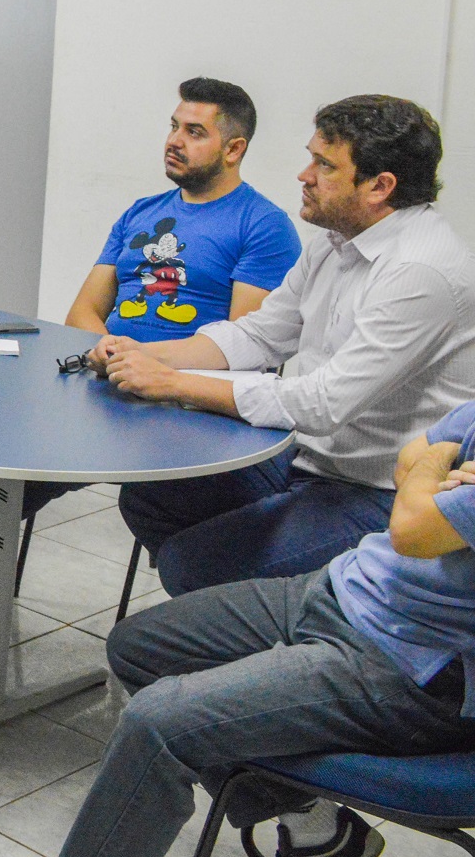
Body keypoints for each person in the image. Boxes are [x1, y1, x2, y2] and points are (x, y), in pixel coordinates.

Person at [42, 406, 475, 857]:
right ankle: (321, 834)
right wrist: (437, 466)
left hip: (413, 665)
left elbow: (412, 528)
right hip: (342, 589)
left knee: (157, 724)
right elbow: (409, 461)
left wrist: (433, 474)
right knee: (139, 647)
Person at [103, 95, 475, 596]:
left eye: (324, 165)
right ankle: (237, 616)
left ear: (379, 187)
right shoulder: (335, 238)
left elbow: (324, 404)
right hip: (310, 459)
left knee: (195, 566)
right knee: (153, 498)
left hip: (375, 489)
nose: (304, 174)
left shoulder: (420, 271)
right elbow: (260, 334)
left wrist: (173, 383)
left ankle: (252, 616)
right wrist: (144, 354)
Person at [65, 77, 299, 340]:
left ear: (233, 149)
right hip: (111, 370)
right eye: (174, 127)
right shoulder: (140, 212)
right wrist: (115, 355)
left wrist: (139, 362)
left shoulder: (265, 226)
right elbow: (81, 314)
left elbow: (243, 345)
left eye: (194, 132)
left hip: (189, 379)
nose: (174, 141)